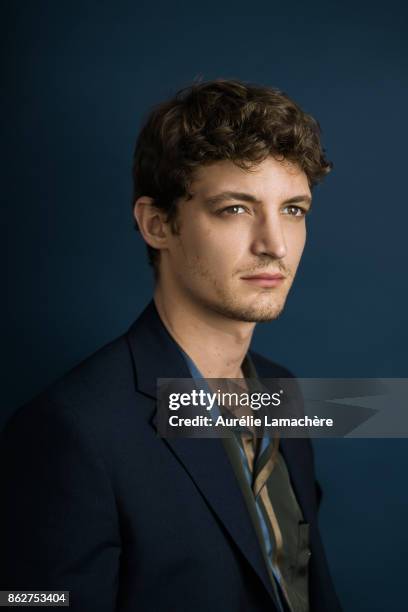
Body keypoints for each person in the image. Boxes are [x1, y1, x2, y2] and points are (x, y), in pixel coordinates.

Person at [0, 79, 342, 611]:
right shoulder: (70, 432)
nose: (274, 244)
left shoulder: (283, 394)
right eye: (235, 208)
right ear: (158, 224)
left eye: (293, 210)